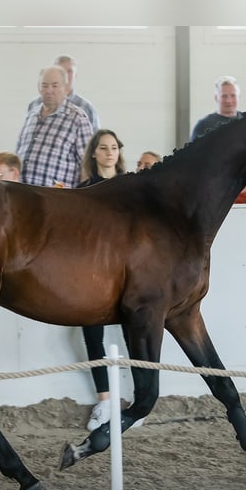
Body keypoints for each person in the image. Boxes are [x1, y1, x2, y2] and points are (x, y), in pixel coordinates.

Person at [74, 129, 143, 430]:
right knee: (92, 335)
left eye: (114, 147)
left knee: (134, 335)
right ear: (94, 153)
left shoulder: (133, 187)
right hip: (93, 271)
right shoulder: (83, 190)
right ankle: (105, 402)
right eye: (103, 147)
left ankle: (139, 403)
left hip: (128, 272)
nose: (109, 152)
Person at [16, 66, 93, 188]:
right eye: (44, 85)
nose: (49, 90)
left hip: (55, 198)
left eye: (55, 85)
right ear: (39, 88)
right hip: (23, 194)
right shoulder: (31, 115)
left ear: (65, 87)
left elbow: (87, 163)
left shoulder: (77, 118)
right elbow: (18, 151)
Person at [27, 55, 100, 132]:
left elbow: (95, 141)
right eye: (61, 71)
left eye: (69, 71)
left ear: (76, 75)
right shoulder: (35, 105)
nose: (65, 75)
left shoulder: (85, 108)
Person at [190, 75, 246, 141]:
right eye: (224, 96)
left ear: (239, 97)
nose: (228, 100)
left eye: (233, 95)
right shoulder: (203, 126)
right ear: (216, 98)